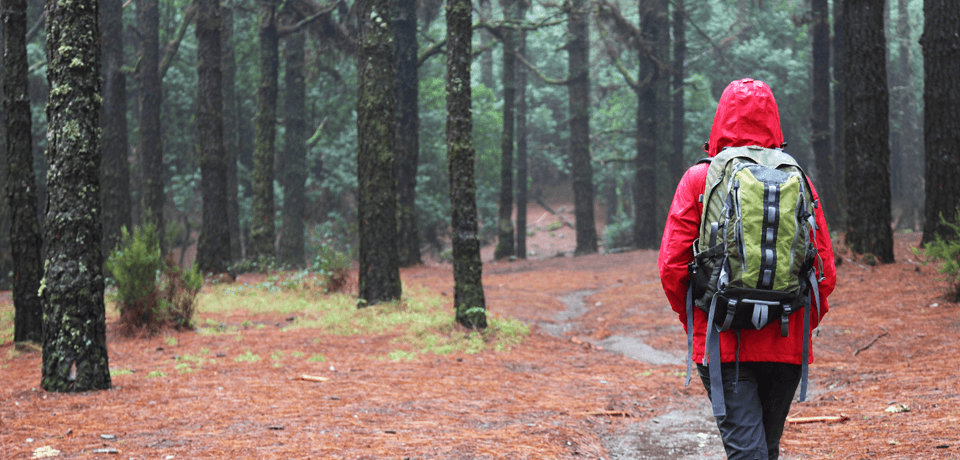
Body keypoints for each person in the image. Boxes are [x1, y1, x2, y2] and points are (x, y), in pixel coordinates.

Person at [658, 78, 837, 460]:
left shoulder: (700, 179)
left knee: (749, 454)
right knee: (764, 450)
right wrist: (795, 319)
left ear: (719, 119)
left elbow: (671, 266)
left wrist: (698, 323)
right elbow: (825, 271)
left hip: (722, 339)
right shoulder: (798, 179)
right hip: (785, 341)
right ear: (774, 121)